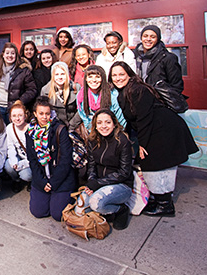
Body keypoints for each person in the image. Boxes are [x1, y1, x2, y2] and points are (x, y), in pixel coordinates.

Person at [110, 61, 198, 217]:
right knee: (151, 164)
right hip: (156, 129)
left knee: (158, 165)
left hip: (164, 130)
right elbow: (133, 121)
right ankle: (157, 199)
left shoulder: (138, 90)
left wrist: (142, 144)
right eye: (114, 75)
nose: (118, 78)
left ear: (130, 74)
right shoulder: (125, 92)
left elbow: (144, 118)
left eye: (121, 74)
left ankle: (165, 205)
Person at [74, 109, 133, 230]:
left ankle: (120, 210)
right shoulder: (92, 140)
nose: (103, 126)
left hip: (120, 184)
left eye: (108, 122)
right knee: (79, 210)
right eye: (99, 123)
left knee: (96, 204)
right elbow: (91, 165)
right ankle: (105, 211)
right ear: (95, 125)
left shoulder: (122, 141)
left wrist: (97, 183)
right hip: (99, 182)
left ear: (114, 124)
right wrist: (91, 182)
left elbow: (124, 172)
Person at [26, 96, 76, 221]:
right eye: (41, 113)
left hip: (60, 178)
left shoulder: (59, 129)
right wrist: (42, 182)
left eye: (47, 114)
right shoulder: (30, 132)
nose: (44, 117)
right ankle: (48, 196)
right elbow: (32, 160)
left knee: (58, 215)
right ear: (35, 114)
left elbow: (66, 160)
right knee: (38, 212)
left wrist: (53, 183)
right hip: (42, 177)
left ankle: (65, 196)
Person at [0, 42, 37, 124]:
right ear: (3, 54)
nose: (10, 56)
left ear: (16, 55)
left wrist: (20, 101)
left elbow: (32, 90)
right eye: (7, 53)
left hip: (15, 109)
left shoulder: (23, 70)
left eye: (13, 53)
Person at [133, 25, 184, 94]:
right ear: (141, 38)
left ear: (158, 39)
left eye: (153, 37)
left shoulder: (167, 58)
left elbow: (176, 86)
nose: (148, 39)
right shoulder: (134, 56)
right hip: (138, 99)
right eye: (145, 36)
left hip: (159, 102)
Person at [76, 65, 126, 131]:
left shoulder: (112, 94)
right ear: (86, 79)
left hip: (113, 130)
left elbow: (119, 117)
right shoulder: (81, 96)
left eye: (97, 77)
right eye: (90, 77)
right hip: (94, 131)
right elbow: (85, 119)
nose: (94, 80)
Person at [40, 61, 82, 131]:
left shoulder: (76, 88)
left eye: (63, 74)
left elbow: (81, 110)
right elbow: (44, 111)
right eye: (57, 74)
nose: (60, 77)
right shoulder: (45, 90)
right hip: (55, 128)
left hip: (74, 126)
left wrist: (71, 126)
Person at [4, 100, 32, 192]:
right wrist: (14, 162)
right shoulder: (9, 128)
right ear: (10, 117)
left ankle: (31, 181)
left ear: (25, 116)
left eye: (20, 115)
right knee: (8, 165)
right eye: (14, 116)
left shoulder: (31, 129)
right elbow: (10, 147)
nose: (17, 118)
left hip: (30, 161)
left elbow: (35, 154)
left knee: (27, 175)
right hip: (19, 157)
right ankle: (16, 180)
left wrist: (22, 164)